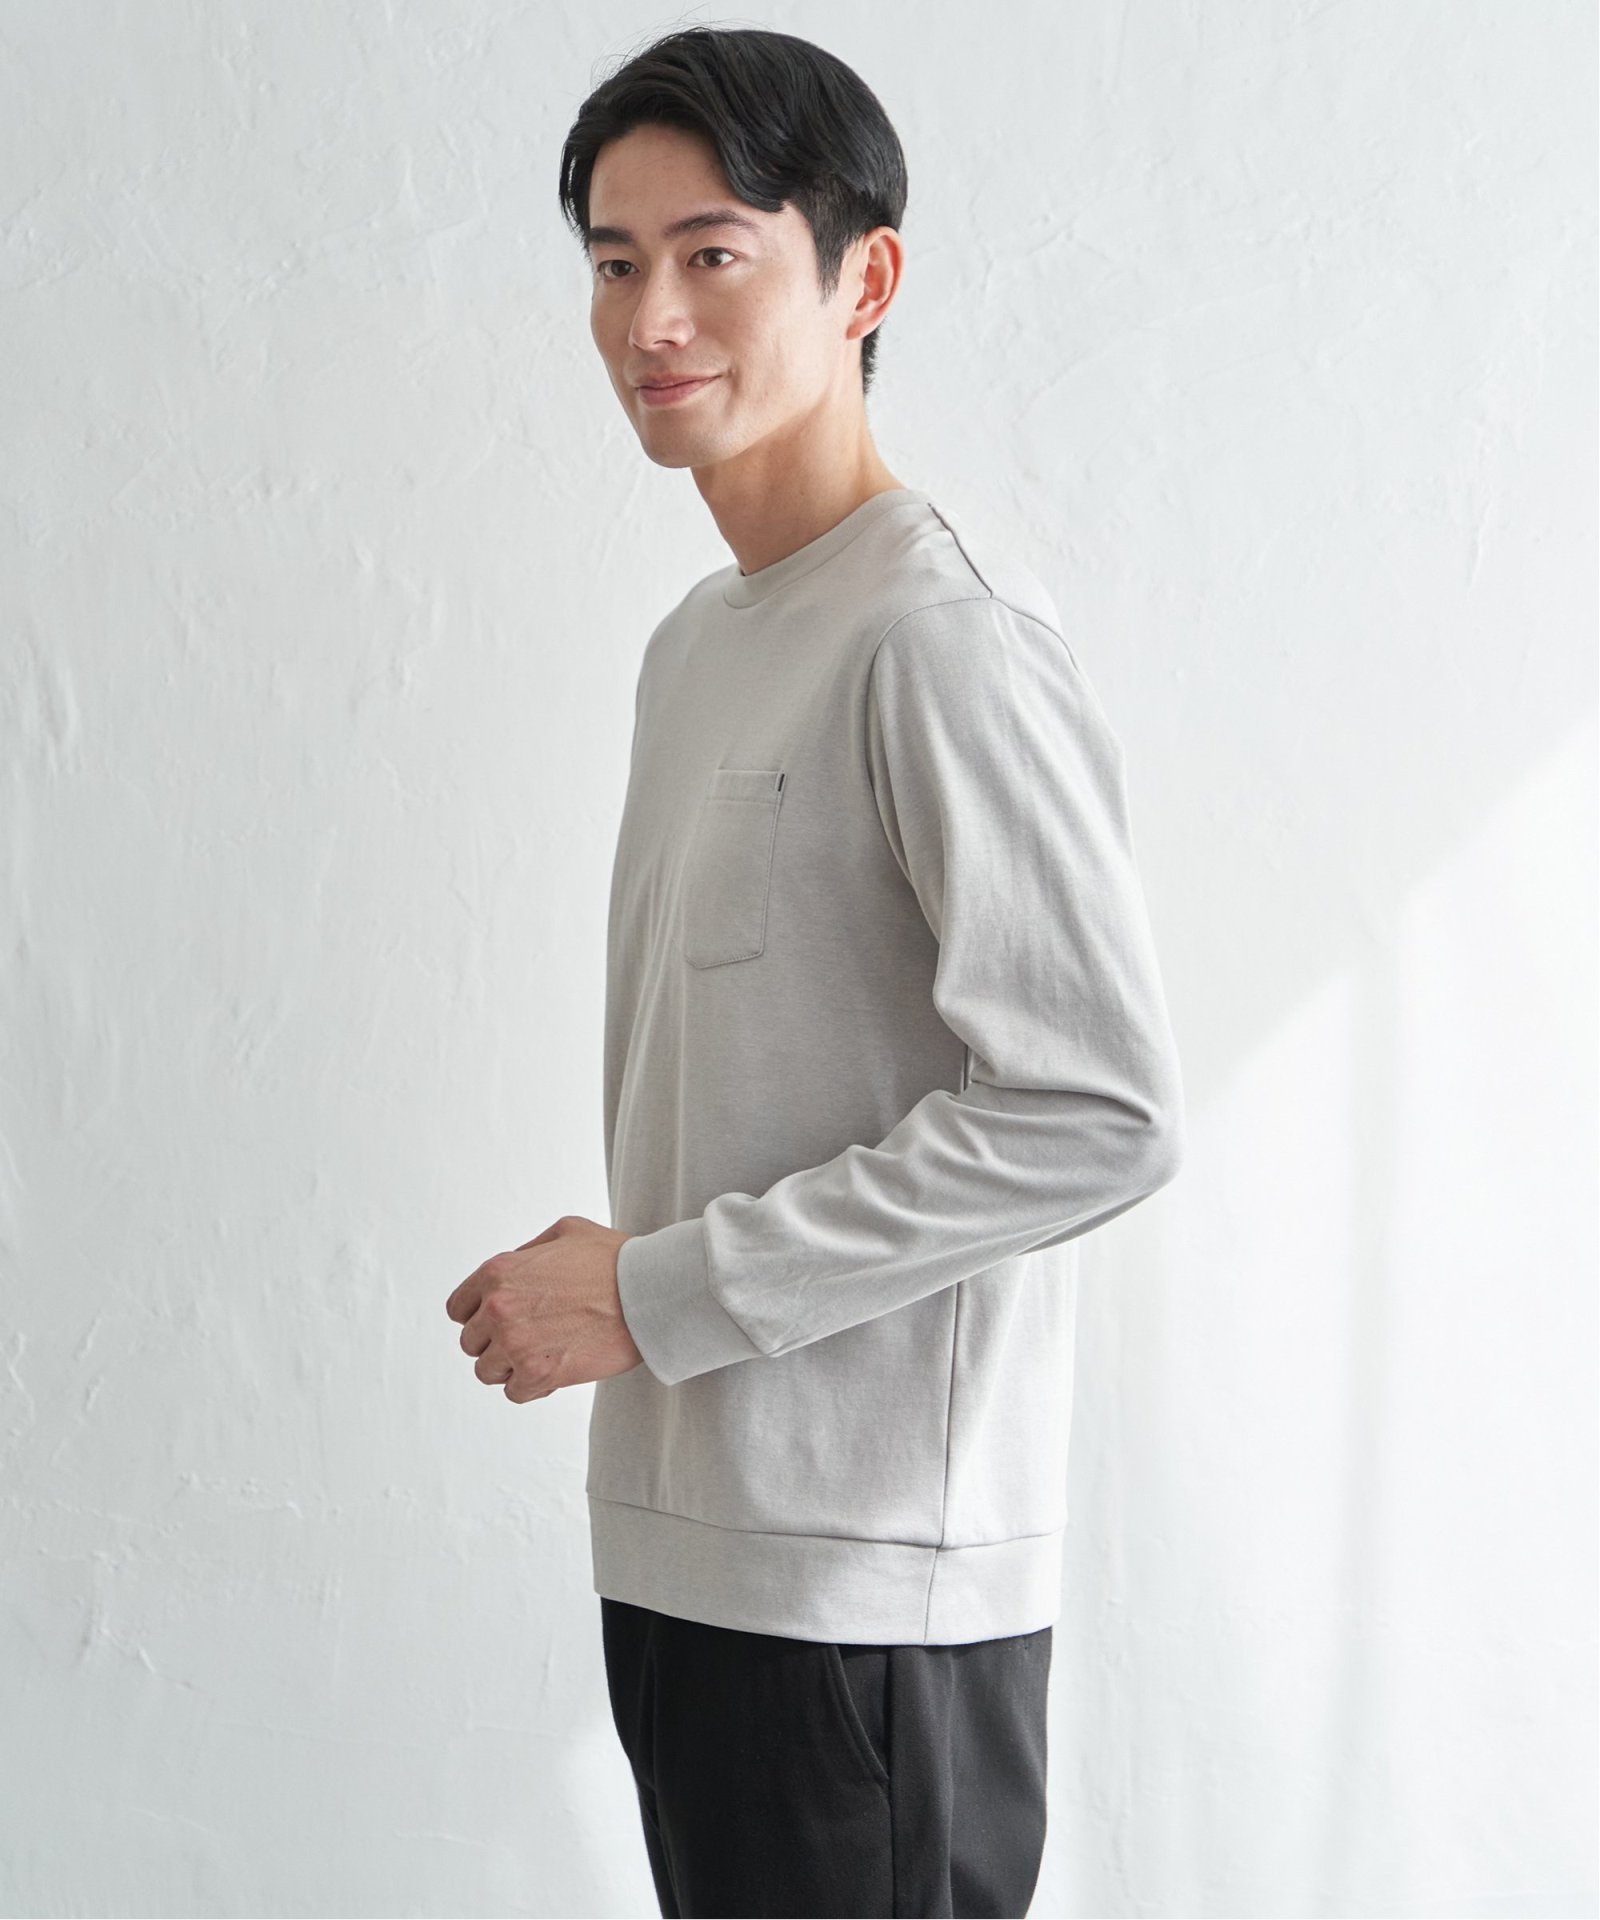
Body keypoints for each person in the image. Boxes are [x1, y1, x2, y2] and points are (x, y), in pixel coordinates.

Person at [449, 24, 1185, 1918]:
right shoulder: (699, 641)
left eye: (713, 254)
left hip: (869, 1600)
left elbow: (1098, 1110)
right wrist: (635, 1289)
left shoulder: (941, 637)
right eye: (614, 261)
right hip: (689, 1554)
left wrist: (654, 1291)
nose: (650, 318)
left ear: (865, 280)